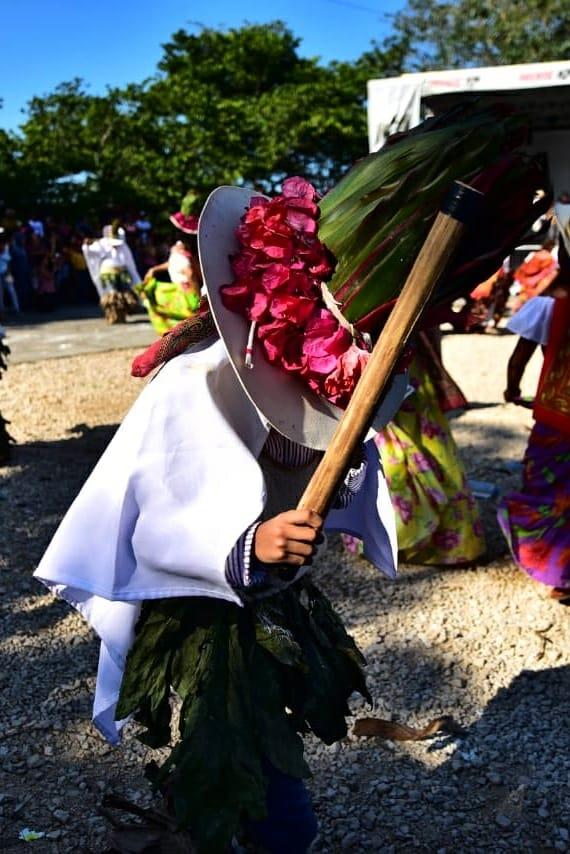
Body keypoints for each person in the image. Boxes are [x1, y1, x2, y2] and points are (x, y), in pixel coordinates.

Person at [34, 181, 408, 852]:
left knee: (265, 728)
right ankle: (238, 821)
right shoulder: (192, 383)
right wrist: (247, 545)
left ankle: (224, 813)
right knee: (236, 737)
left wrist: (321, 496)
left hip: (277, 599)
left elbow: (334, 467)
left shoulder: (330, 378)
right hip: (202, 606)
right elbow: (154, 515)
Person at [344, 330, 486, 566]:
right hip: (391, 352)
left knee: (387, 432)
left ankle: (387, 535)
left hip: (390, 352)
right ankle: (411, 535)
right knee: (394, 431)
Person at [497, 244, 570, 604]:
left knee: (550, 494)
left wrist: (512, 390)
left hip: (557, 417)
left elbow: (519, 358)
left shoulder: (547, 305)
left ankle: (560, 571)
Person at [137, 211, 202, 336]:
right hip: (182, 289)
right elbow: (173, 264)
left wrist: (197, 296)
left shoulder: (184, 251)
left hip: (187, 291)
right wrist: (155, 269)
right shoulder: (180, 249)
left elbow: (190, 273)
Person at [82, 224, 141, 323]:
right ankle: (113, 316)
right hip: (108, 274)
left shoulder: (123, 246)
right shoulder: (101, 244)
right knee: (111, 296)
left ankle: (122, 316)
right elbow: (90, 252)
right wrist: (86, 246)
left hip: (122, 274)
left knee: (124, 295)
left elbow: (129, 262)